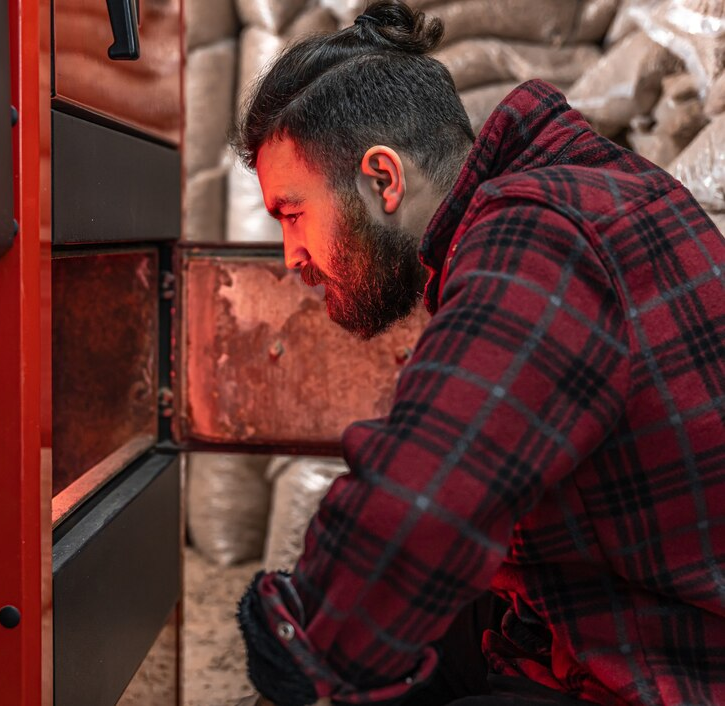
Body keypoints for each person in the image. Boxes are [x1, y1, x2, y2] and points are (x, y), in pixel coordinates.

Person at [230, 2, 725, 705]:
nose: (292, 258)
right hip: (621, 617)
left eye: (293, 213)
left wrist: (297, 636)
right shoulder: (576, 196)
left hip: (670, 674)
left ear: (382, 179)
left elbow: (425, 501)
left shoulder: (538, 234)